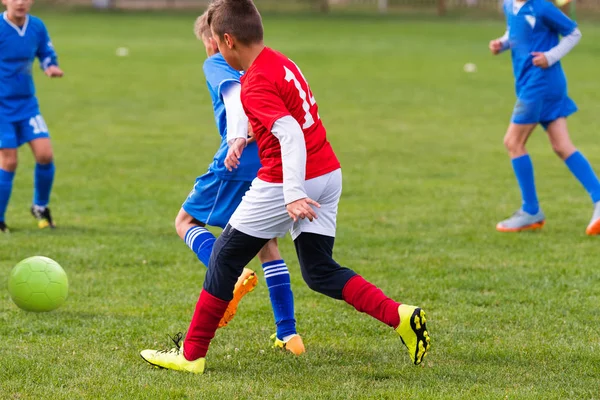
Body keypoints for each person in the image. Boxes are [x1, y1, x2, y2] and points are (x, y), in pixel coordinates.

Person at [140, 0, 430, 374]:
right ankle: (401, 316)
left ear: (227, 40)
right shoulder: (282, 62)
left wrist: (292, 192)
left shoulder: (255, 80)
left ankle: (192, 355)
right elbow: (288, 118)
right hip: (327, 171)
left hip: (288, 179)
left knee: (226, 256)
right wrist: (242, 137)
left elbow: (289, 132)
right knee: (319, 270)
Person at [172, 13, 303, 354]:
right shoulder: (258, 62)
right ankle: (289, 335)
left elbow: (233, 98)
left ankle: (235, 274)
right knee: (266, 243)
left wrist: (235, 138)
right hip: (269, 162)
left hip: (235, 160)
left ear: (216, 39)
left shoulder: (216, 62)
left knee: (185, 221)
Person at [490, 0, 600, 234]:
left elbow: (573, 33)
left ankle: (530, 210)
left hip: (540, 83)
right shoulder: (509, 6)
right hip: (533, 83)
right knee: (561, 145)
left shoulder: (542, 7)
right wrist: (503, 43)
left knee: (513, 142)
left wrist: (550, 56)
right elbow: (518, 31)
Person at [0, 0, 63, 233]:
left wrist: (50, 66)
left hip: (27, 104)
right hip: (1, 107)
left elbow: (45, 52)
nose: (20, 2)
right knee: (9, 160)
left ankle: (40, 206)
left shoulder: (37, 26)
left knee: (45, 155)